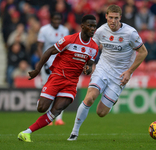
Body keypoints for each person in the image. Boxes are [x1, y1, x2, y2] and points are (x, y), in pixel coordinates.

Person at [67, 4, 148, 141]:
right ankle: (74, 132)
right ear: (106, 17)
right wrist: (89, 64)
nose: (113, 21)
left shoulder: (130, 33)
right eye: (110, 17)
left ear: (120, 18)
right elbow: (92, 47)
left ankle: (112, 99)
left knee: (101, 112)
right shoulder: (100, 31)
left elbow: (143, 52)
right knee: (89, 97)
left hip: (120, 76)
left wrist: (129, 72)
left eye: (116, 18)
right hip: (103, 69)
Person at [17, 14, 99, 142]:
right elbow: (49, 51)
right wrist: (37, 70)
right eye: (90, 26)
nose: (93, 29)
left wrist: (88, 70)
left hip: (71, 82)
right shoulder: (69, 39)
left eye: (94, 26)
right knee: (41, 108)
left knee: (56, 111)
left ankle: (26, 133)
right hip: (57, 76)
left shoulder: (94, 47)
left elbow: (89, 65)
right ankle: (45, 97)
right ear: (82, 26)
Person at [37, 12, 69, 126]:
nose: (56, 21)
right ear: (51, 19)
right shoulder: (44, 30)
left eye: (58, 19)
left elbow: (66, 49)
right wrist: (43, 62)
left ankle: (59, 118)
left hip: (60, 64)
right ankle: (47, 116)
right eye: (55, 18)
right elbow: (40, 47)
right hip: (47, 63)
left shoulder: (65, 30)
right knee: (48, 89)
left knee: (61, 90)